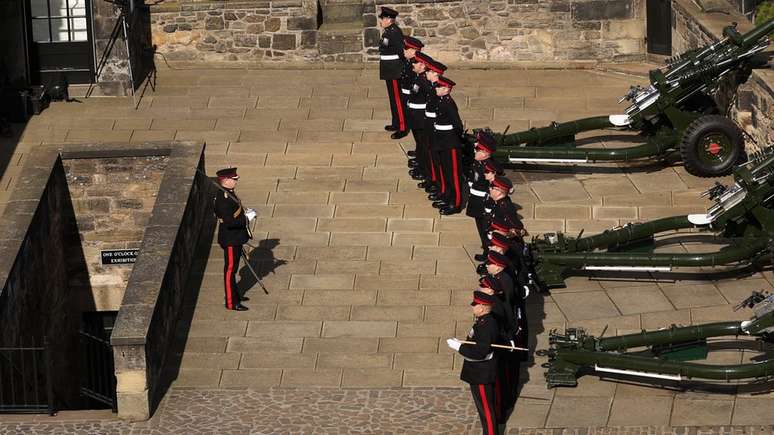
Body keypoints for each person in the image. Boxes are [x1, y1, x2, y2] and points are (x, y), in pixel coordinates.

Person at [447, 291, 502, 435]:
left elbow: (480, 352)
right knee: (484, 407)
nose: (473, 307)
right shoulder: (484, 320)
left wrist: (459, 347)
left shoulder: (486, 325)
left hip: (481, 373)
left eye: (475, 305)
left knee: (486, 409)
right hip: (479, 372)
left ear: (482, 307)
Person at [214, 167, 255, 311]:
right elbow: (230, 222)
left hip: (235, 238)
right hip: (231, 239)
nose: (236, 181)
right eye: (234, 179)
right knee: (230, 271)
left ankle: (235, 294)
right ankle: (231, 302)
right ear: (225, 180)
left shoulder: (228, 193)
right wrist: (246, 219)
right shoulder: (223, 199)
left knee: (233, 269)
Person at [431, 76, 466, 215]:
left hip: (450, 142)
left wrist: (454, 139)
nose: (436, 89)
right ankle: (448, 197)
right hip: (441, 141)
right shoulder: (441, 101)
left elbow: (457, 125)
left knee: (453, 175)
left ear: (447, 89)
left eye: (439, 87)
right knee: (445, 172)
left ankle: (456, 203)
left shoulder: (449, 104)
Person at [466, 132, 502, 261]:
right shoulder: (478, 163)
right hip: (476, 199)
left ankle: (490, 253)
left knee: (487, 229)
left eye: (478, 149)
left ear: (486, 152)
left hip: (484, 200)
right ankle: (486, 249)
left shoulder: (489, 167)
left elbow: (494, 186)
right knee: (480, 228)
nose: (475, 150)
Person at [378, 7, 408, 140]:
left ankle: (402, 127)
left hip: (394, 70)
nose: (381, 21)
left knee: (398, 99)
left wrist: (402, 69)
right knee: (392, 99)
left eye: (383, 19)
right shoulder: (388, 31)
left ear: (389, 20)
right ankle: (396, 122)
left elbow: (401, 52)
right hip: (389, 70)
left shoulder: (394, 32)